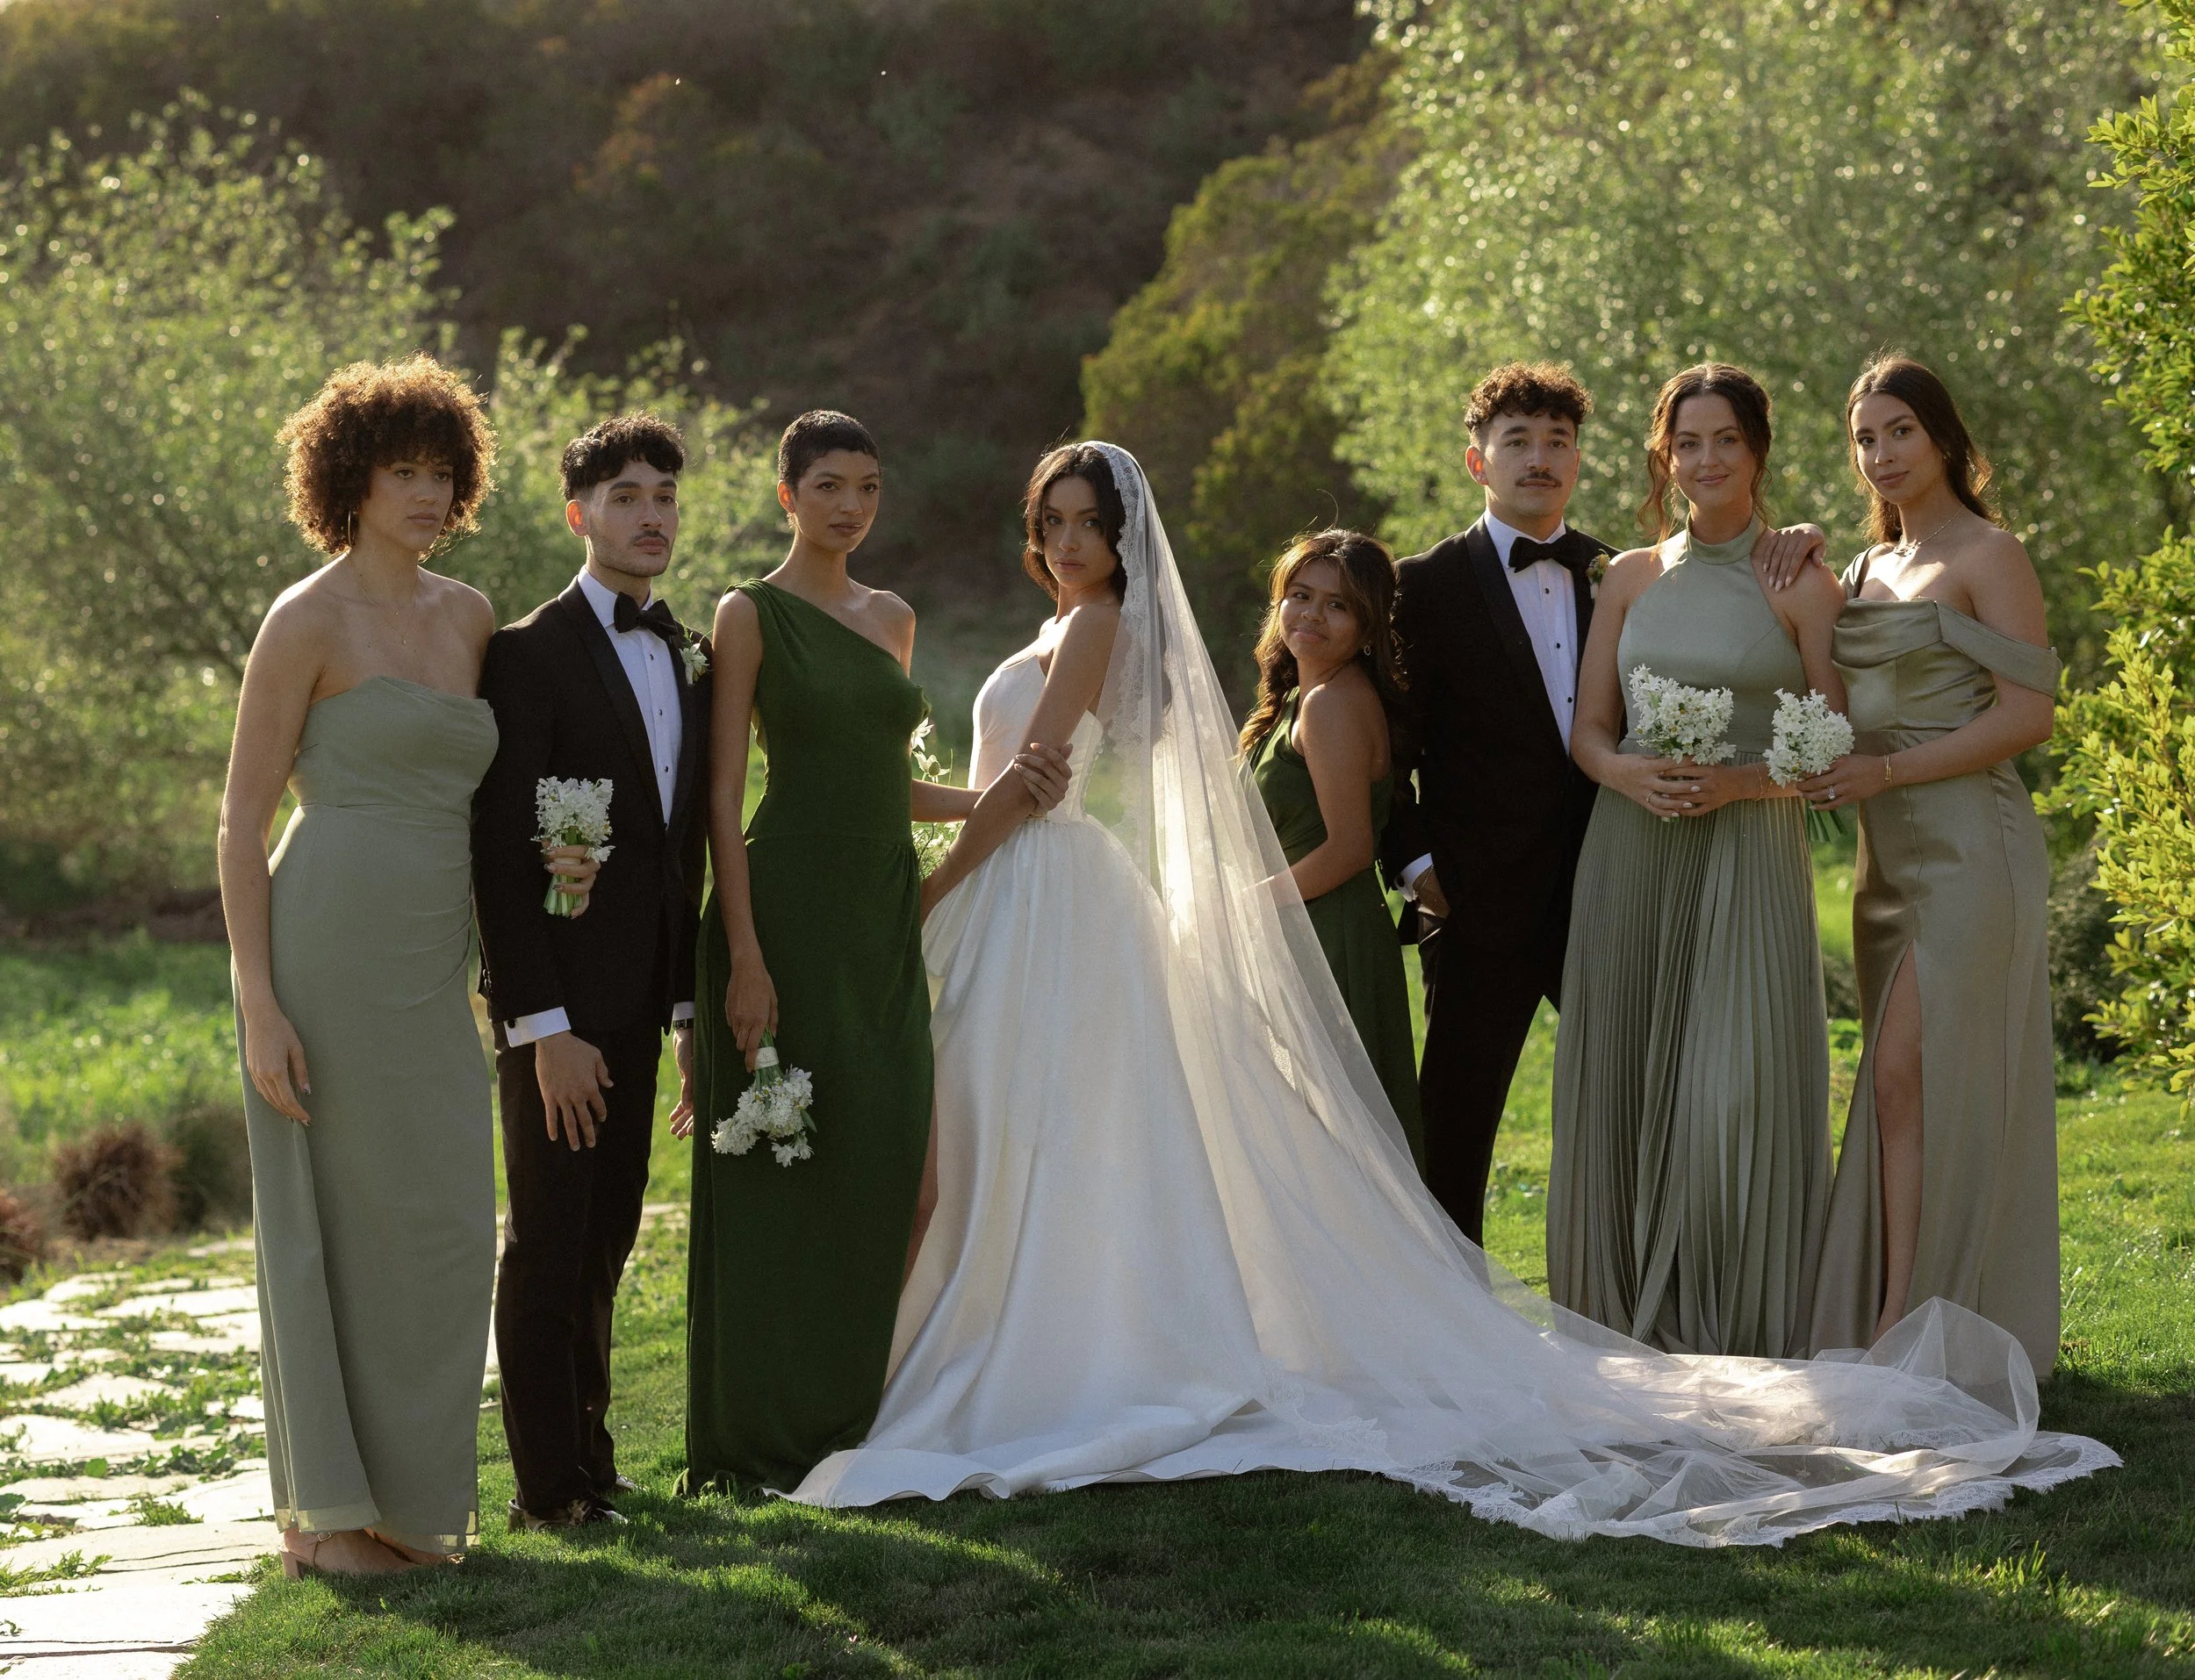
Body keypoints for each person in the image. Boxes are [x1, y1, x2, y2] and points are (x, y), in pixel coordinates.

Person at [788, 438, 2115, 1544]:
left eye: (1092, 521)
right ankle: (958, 1341)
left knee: (1034, 1135)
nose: (1073, 539)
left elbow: (1066, 787)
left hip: (1108, 885)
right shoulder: (1101, 626)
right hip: (1051, 897)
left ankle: (1037, 1349)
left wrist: (927, 886)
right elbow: (1026, 778)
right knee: (1009, 1134)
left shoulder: (1118, 628)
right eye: (1055, 521)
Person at [222, 356, 591, 1576]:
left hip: (437, 960)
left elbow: (486, 803)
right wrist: (258, 1000)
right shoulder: (305, 618)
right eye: (404, 472)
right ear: (351, 480)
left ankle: (417, 1507)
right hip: (320, 944)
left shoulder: (471, 613)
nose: (428, 493)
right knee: (325, 1225)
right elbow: (239, 822)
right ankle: (328, 1523)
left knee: (438, 1226)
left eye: (443, 472)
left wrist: (557, 869)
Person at [683, 411, 1069, 1493]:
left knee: (896, 1167)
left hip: (880, 914)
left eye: (868, 487)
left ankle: (857, 1408)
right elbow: (724, 793)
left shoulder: (892, 618)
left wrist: (993, 800)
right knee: (773, 1174)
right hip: (786, 909)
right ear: (786, 496)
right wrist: (745, 955)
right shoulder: (747, 613)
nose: (850, 506)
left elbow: (880, 783)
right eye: (829, 486)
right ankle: (758, 1436)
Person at [1381, 364, 1822, 1245]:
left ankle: (1640, 1280)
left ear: (1578, 459)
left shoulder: (1616, 572)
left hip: (1617, 883)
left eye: (1557, 442)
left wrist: (1798, 530)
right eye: (1517, 443)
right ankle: (1447, 1326)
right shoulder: (1420, 586)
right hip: (1478, 900)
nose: (1538, 460)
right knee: (1456, 1127)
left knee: (1642, 1099)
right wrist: (1419, 866)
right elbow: (1390, 748)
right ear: (1478, 462)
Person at [1550, 363, 1846, 1359]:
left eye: (1724, 439)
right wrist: (1628, 778)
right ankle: (1614, 1310)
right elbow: (1590, 732)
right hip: (1631, 850)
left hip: (1749, 853)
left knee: (1735, 1092)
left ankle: (1739, 1317)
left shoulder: (1801, 580)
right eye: (1686, 443)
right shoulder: (1629, 577)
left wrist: (1741, 783)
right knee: (1625, 1077)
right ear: (1662, 456)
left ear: (1757, 450)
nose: (1704, 460)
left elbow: (1831, 743)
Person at [1799, 355, 2062, 1375]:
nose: (1881, 454)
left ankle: (1904, 1321)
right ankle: (1910, 1305)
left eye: (1899, 430)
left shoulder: (1989, 553)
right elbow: (1828, 693)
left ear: (1943, 436)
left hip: (1971, 849)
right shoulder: (1865, 571)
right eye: (1865, 438)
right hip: (1886, 861)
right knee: (1900, 1089)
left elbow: (2028, 715)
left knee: (1918, 1076)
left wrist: (1889, 769)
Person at [471, 413, 709, 1530]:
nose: (649, 515)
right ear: (579, 515)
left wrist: (683, 1008)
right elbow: (498, 855)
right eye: (625, 497)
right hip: (559, 1016)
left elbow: (679, 847)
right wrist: (541, 1024)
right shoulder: (525, 654)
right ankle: (546, 1489)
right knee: (547, 1247)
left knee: (606, 1240)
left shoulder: (688, 649)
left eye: (663, 495)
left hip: (641, 998)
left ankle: (594, 1462)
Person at [1241, 529, 1423, 1162]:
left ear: (1367, 624)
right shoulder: (1304, 696)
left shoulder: (1332, 706)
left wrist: (1242, 907)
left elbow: (1350, 848)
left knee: (1330, 1149)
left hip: (1328, 936)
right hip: (1304, 925)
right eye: (1300, 595)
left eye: (1338, 604)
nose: (1313, 614)